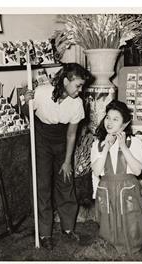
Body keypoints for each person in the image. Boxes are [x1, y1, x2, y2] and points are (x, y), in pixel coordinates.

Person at [22, 63, 92, 250]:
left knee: (66, 181)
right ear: (65, 80)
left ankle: (68, 229)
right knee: (42, 185)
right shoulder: (42, 92)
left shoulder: (77, 103)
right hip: (41, 140)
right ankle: (45, 234)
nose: (80, 90)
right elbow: (25, 113)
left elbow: (71, 135)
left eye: (82, 86)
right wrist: (25, 101)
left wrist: (68, 161)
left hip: (62, 142)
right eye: (77, 85)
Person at [91, 100, 142, 255]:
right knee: (107, 219)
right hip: (107, 188)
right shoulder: (98, 144)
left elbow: (137, 170)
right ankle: (109, 243)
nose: (109, 122)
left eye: (115, 119)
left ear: (125, 123)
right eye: (108, 117)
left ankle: (132, 243)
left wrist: (123, 146)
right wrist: (107, 147)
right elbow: (96, 170)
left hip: (127, 189)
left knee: (131, 220)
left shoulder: (134, 142)